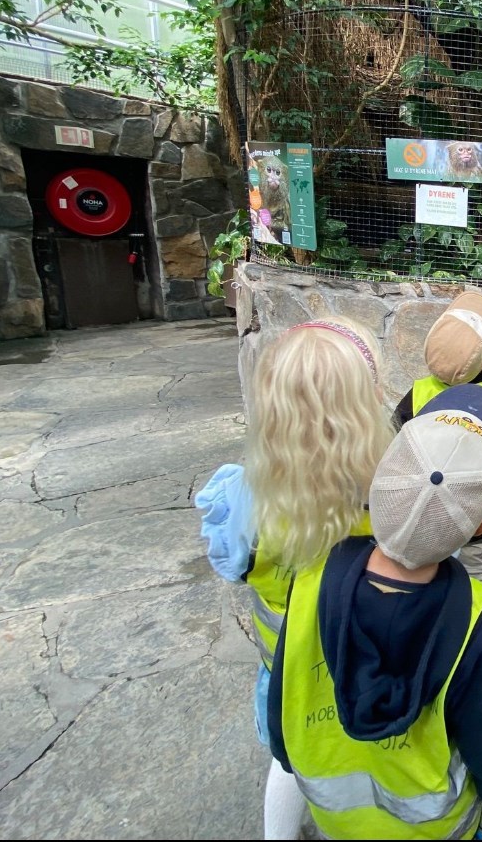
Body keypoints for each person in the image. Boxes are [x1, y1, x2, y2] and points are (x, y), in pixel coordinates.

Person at [267, 384, 482, 840]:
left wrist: (284, 749)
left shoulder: (309, 580)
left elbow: (284, 690)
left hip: (336, 823)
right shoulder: (475, 623)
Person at [197, 318, 393, 840]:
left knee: (290, 761)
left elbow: (231, 566)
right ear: (367, 403)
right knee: (362, 768)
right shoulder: (390, 500)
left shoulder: (244, 498)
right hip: (367, 673)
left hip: (284, 675)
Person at [394, 288, 482, 586]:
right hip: (474, 520)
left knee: (427, 579)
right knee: (474, 581)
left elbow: (397, 453)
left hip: (424, 515)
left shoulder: (416, 394)